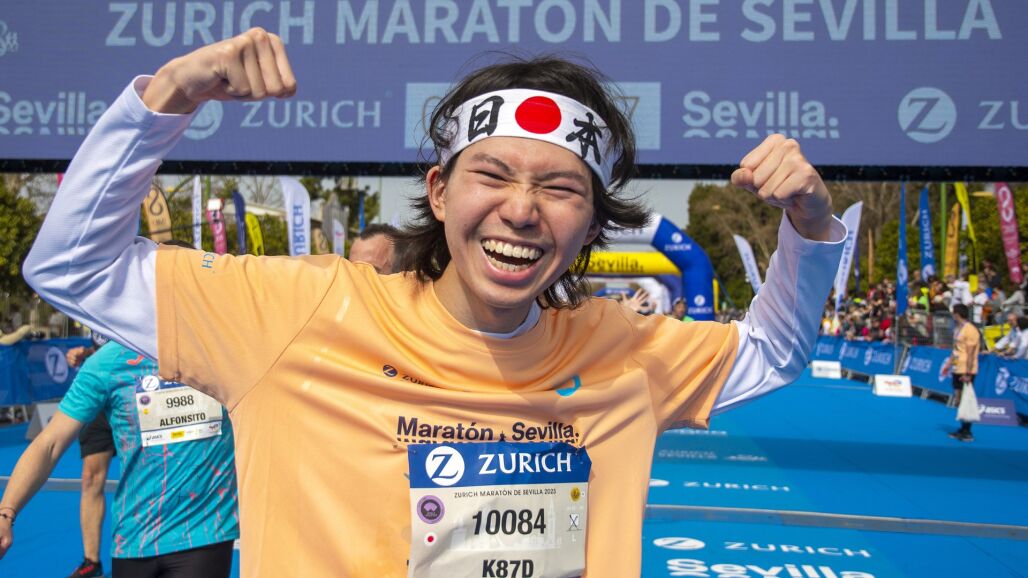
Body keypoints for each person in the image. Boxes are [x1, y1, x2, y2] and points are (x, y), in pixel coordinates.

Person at [22, 29, 845, 577]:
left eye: (560, 188)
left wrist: (809, 227)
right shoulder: (303, 314)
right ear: (440, 191)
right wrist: (168, 95)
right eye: (492, 175)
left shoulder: (621, 347)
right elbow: (71, 265)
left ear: (593, 223)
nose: (521, 210)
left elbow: (772, 352)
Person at [0, 341, 239, 577]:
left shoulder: (219, 346)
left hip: (204, 533)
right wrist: (5, 513)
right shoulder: (109, 361)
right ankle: (91, 561)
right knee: (91, 475)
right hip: (133, 538)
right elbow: (50, 443)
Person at [62, 332, 109, 578]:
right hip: (101, 391)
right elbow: (107, 343)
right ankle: (92, 563)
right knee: (90, 476)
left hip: (138, 388)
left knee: (153, 471)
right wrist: (88, 352)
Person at [945, 304, 981, 442]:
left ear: (957, 314)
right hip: (957, 366)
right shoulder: (959, 328)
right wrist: (949, 363)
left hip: (966, 368)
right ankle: (962, 427)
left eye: (953, 313)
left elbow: (971, 353)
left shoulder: (971, 330)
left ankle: (967, 431)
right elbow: (956, 348)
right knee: (958, 399)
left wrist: (968, 373)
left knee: (966, 399)